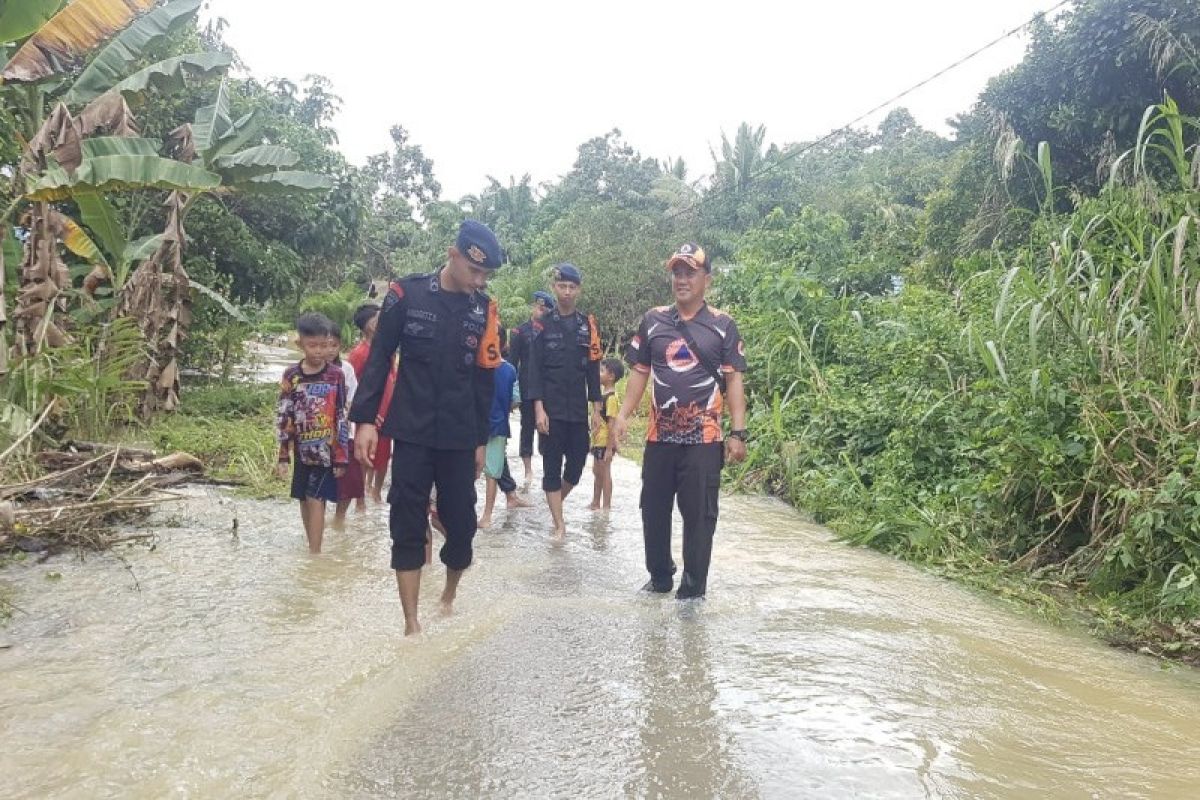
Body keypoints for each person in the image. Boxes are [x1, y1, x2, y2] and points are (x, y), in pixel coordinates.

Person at [350, 219, 503, 636]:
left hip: (458, 435)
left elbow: (484, 379)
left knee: (462, 526)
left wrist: (479, 441)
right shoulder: (405, 294)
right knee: (405, 519)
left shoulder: (484, 310)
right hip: (412, 431)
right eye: (474, 270)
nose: (479, 280)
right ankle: (412, 624)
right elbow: (380, 357)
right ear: (453, 255)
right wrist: (365, 421)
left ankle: (449, 596)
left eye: (486, 274)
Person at [611, 243, 748, 600]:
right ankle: (659, 577)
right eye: (677, 272)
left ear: (707, 278)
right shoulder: (654, 320)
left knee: (700, 519)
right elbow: (640, 373)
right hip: (659, 439)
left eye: (690, 272)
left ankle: (693, 590)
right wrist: (623, 415)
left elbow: (734, 380)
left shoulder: (722, 325)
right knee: (652, 512)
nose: (682, 279)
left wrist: (738, 432)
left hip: (704, 440)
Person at [526, 263, 602, 539]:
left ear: (578, 290)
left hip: (578, 411)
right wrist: (538, 408)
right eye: (562, 286)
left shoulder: (587, 325)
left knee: (577, 466)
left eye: (572, 287)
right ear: (554, 288)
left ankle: (554, 501)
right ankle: (559, 524)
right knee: (551, 465)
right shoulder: (542, 325)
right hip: (552, 409)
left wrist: (597, 408)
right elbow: (534, 368)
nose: (567, 292)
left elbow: (594, 368)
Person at [275, 312, 350, 554]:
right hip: (301, 450)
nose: (319, 351)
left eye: (323, 345)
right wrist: (283, 455)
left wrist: (341, 455)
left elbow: (340, 415)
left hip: (325, 452)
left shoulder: (336, 375)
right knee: (303, 499)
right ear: (300, 344)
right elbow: (284, 415)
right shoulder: (291, 376)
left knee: (316, 499)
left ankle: (315, 554)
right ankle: (311, 545)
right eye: (312, 345)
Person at [479, 328, 531, 529]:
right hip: (499, 425)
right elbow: (515, 401)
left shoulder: (479, 366)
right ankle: (487, 514)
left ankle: (486, 514)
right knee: (493, 470)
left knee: (482, 470)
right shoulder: (509, 370)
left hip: (477, 425)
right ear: (505, 345)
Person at [346, 303, 396, 503]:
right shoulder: (359, 353)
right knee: (365, 454)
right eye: (378, 319)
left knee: (385, 454)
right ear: (369, 326)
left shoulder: (387, 350)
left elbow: (392, 376)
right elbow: (353, 384)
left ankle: (375, 492)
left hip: (388, 410)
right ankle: (360, 498)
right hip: (369, 414)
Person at [509, 290, 554, 483]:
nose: (540, 310)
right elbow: (512, 363)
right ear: (533, 306)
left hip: (548, 389)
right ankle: (528, 470)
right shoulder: (519, 332)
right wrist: (512, 393)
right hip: (527, 389)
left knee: (547, 429)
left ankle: (547, 468)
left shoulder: (552, 331)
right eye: (538, 306)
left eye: (544, 308)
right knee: (526, 428)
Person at [327, 324, 364, 528]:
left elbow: (352, 401)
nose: (330, 350)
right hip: (319, 435)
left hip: (344, 433)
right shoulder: (308, 370)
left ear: (340, 346)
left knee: (350, 481)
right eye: (326, 345)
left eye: (334, 345)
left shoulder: (346, 369)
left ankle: (339, 519)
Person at [589, 358, 623, 510]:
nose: (598, 373)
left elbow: (611, 424)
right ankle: (596, 502)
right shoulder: (603, 396)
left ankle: (606, 506)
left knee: (605, 473)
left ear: (611, 376)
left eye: (602, 371)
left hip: (605, 442)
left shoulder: (611, 398)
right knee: (597, 472)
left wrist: (610, 448)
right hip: (598, 441)